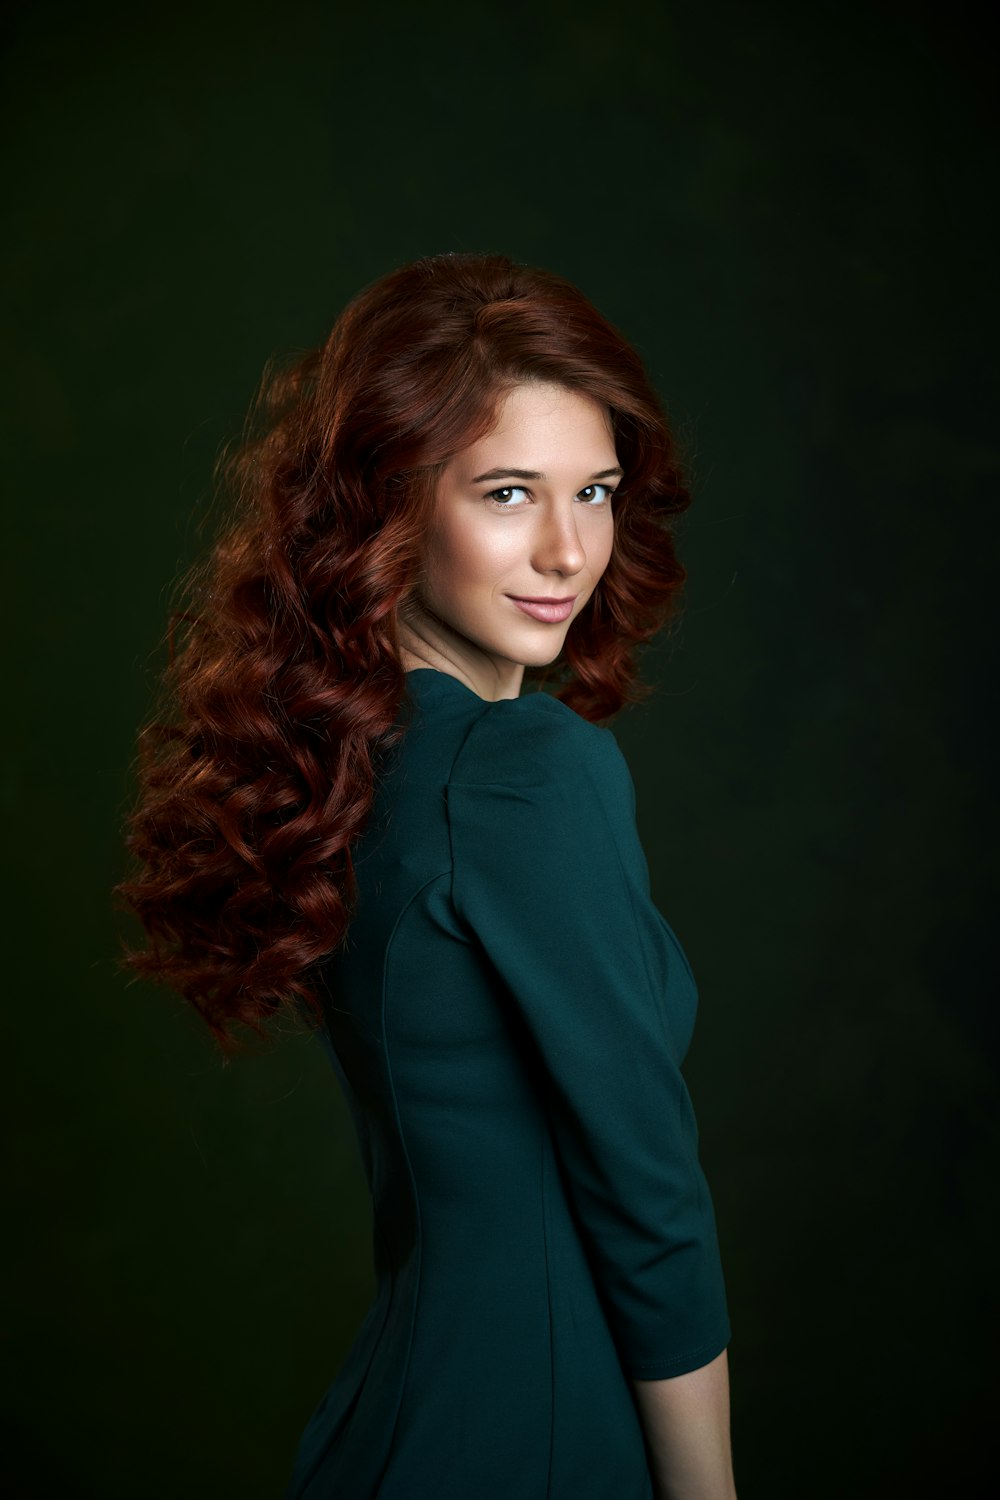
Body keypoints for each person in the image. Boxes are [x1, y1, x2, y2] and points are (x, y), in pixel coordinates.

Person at [115, 252, 737, 1499]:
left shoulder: (349, 759)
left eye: (597, 492)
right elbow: (645, 1189)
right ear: (391, 502)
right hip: (539, 1437)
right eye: (509, 492)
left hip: (395, 1426)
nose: (569, 550)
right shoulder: (521, 774)